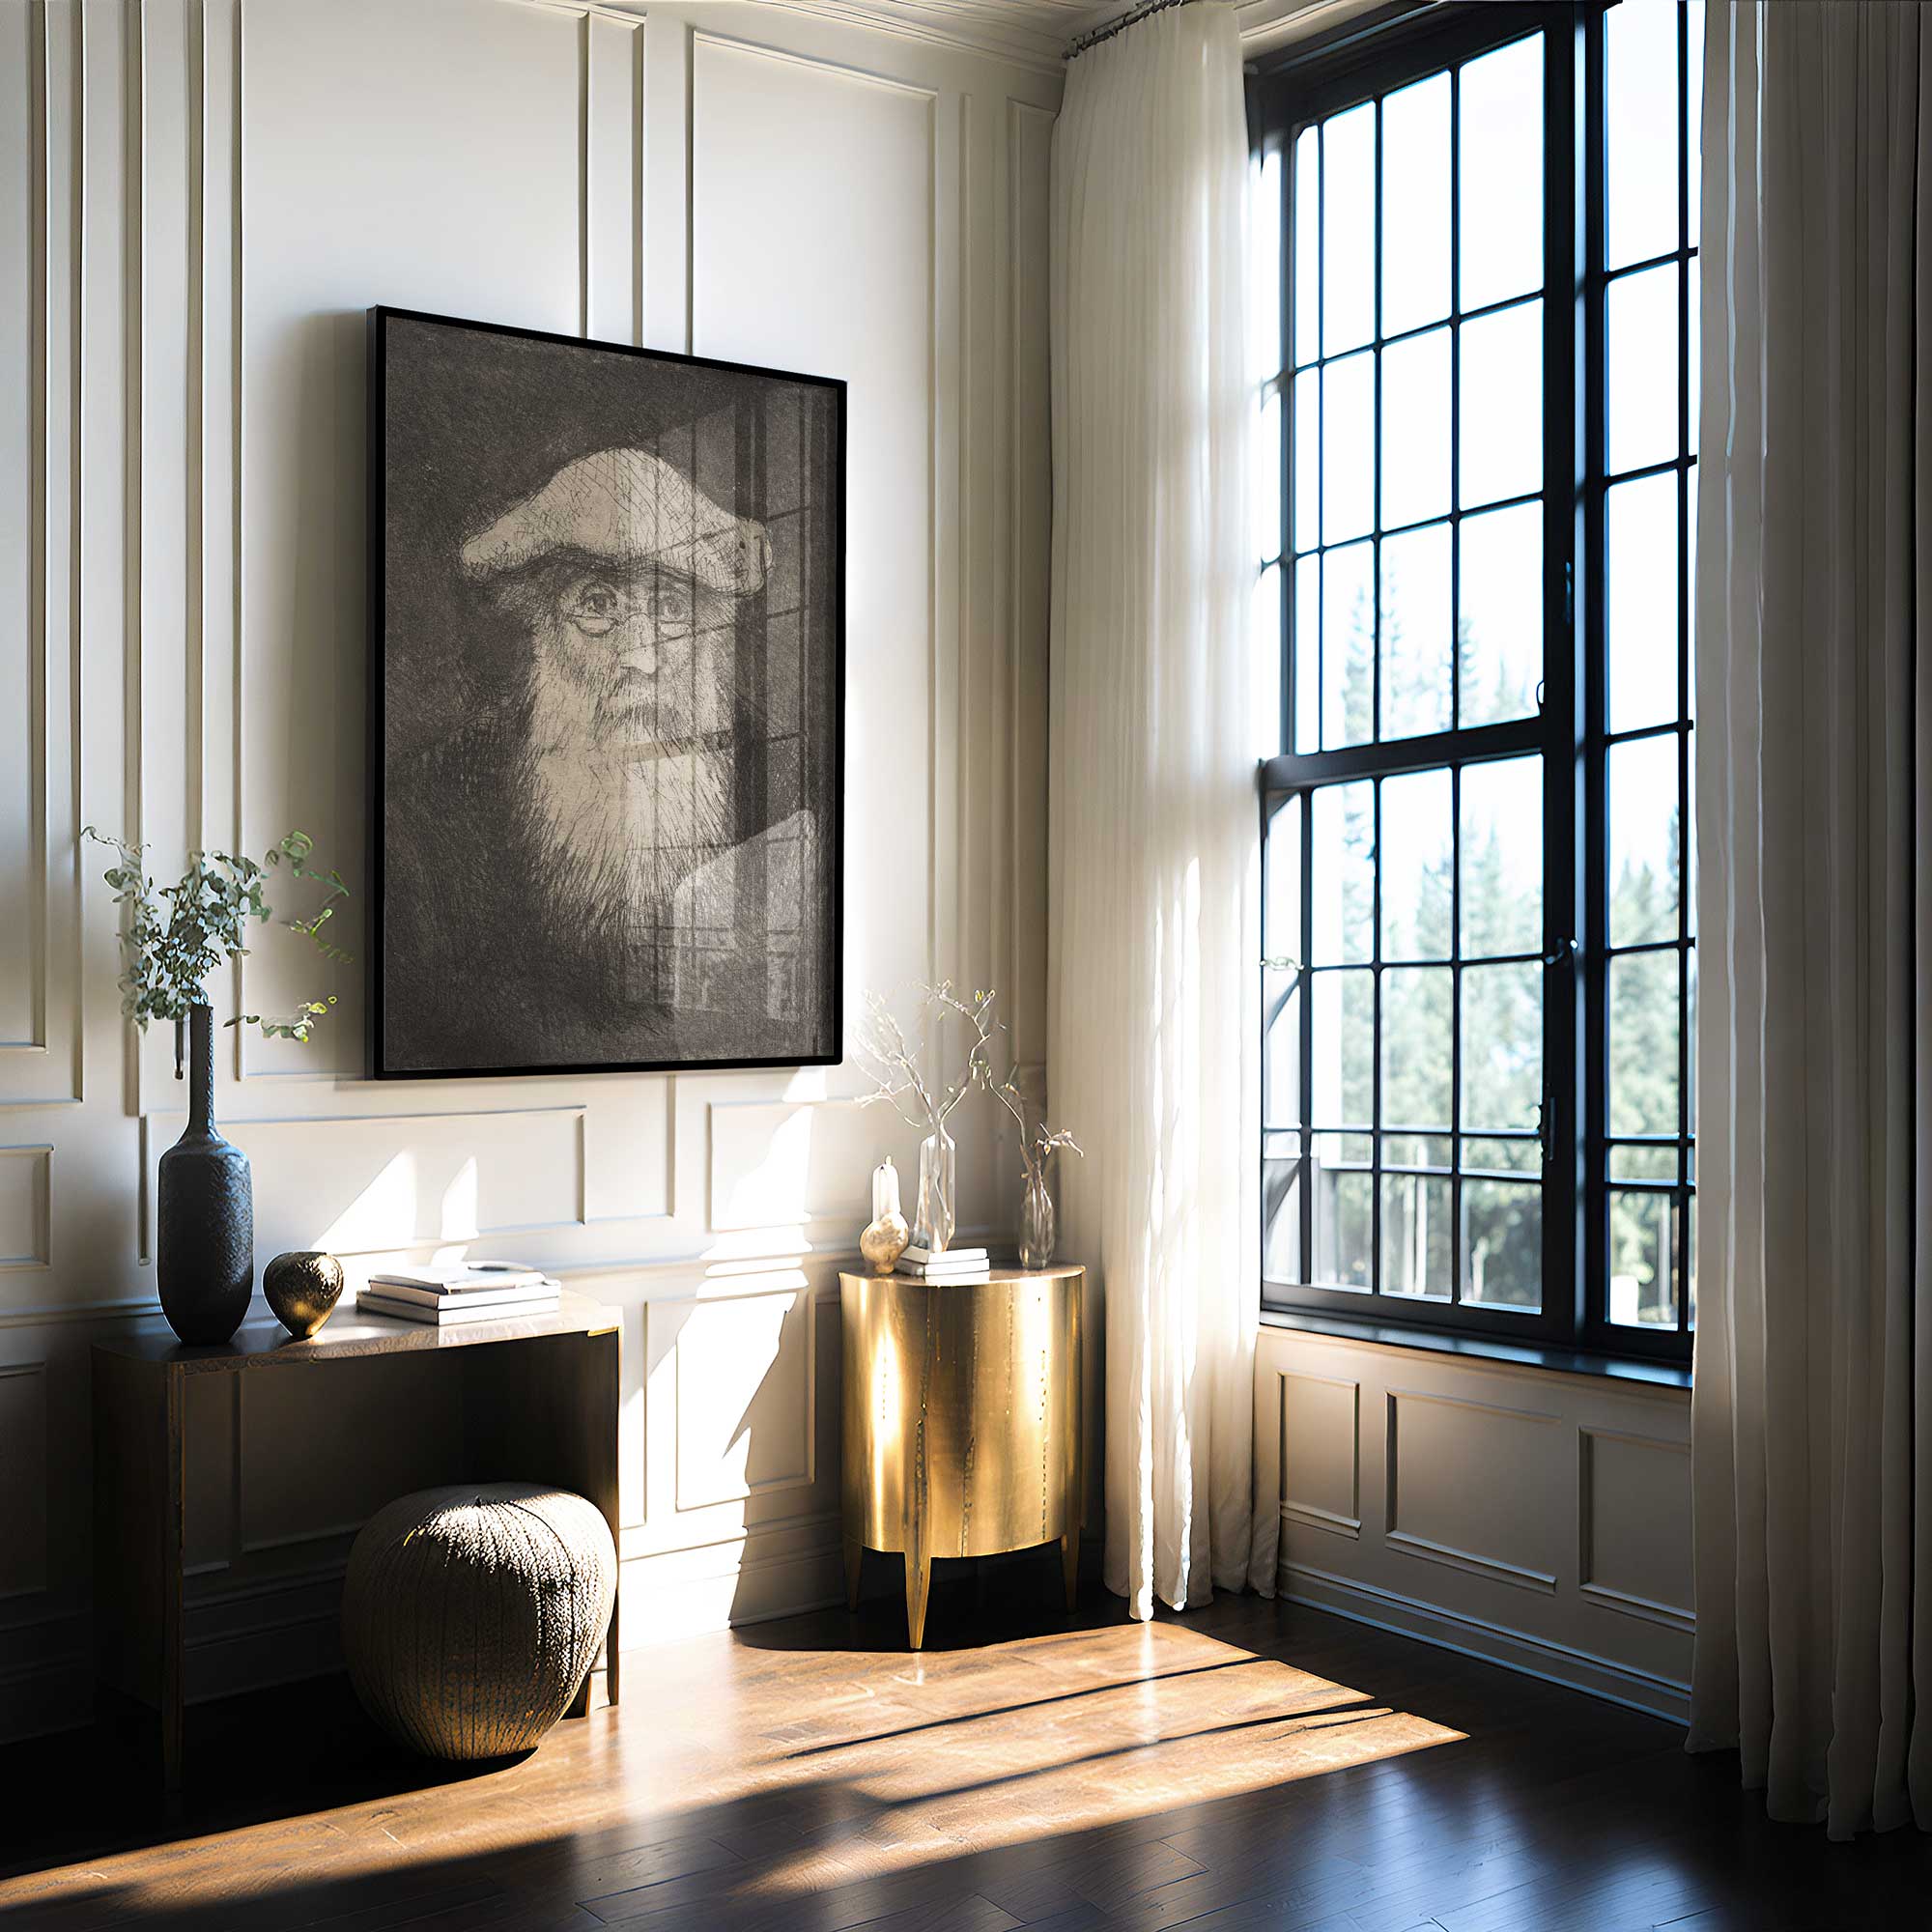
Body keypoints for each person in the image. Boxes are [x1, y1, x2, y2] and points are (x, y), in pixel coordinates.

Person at [383, 443, 824, 1072]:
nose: (639, 656)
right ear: (540, 627)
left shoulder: (780, 788)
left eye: (670, 610)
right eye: (595, 605)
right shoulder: (429, 812)